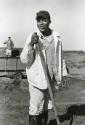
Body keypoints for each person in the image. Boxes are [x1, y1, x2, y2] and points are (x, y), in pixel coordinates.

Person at [20, 10, 68, 125]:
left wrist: (63, 74)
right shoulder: (33, 36)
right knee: (36, 107)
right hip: (37, 78)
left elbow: (60, 57)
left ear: (49, 21)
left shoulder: (56, 37)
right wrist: (31, 44)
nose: (41, 23)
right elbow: (24, 60)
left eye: (44, 20)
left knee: (46, 106)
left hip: (51, 78)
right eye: (38, 20)